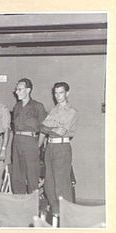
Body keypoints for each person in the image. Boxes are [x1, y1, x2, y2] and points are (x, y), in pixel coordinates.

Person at [39, 82, 77, 215]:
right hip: (49, 146)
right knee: (49, 183)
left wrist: (50, 127)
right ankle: (56, 212)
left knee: (61, 183)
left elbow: (60, 132)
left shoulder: (71, 111)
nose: (58, 96)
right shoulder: (54, 110)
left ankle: (66, 213)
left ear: (67, 93)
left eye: (61, 93)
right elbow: (42, 128)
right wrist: (53, 127)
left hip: (62, 146)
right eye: (56, 93)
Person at [12, 78, 47, 194]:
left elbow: (44, 128)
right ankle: (20, 203)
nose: (16, 92)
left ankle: (33, 204)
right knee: (17, 174)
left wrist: (38, 145)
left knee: (32, 175)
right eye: (16, 89)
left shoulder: (38, 106)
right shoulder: (17, 107)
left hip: (31, 142)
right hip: (17, 141)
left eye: (19, 89)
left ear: (28, 90)